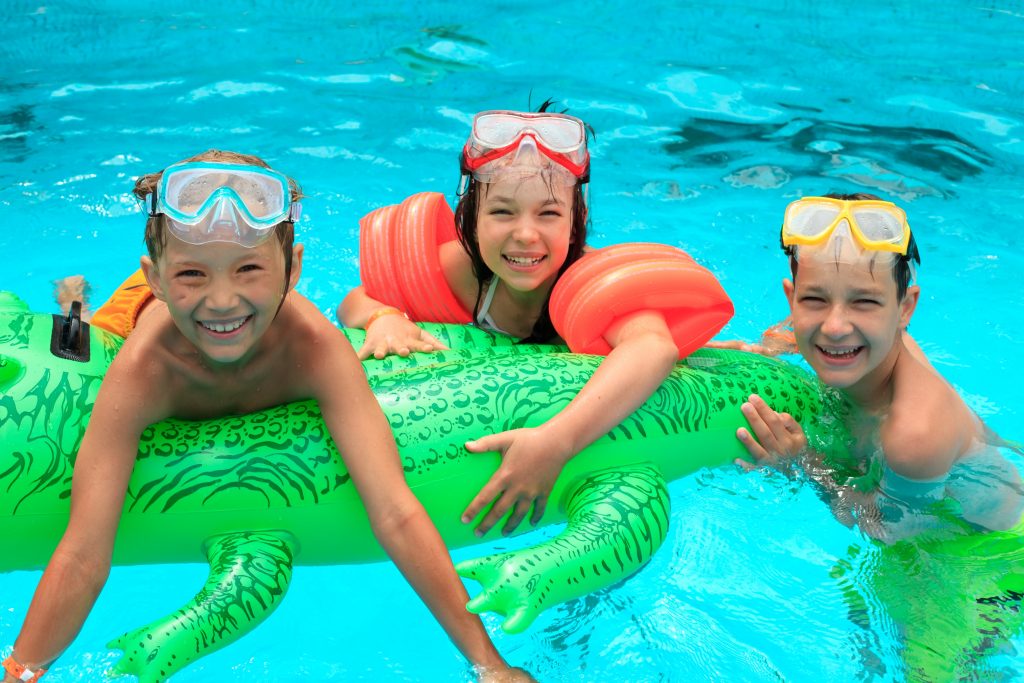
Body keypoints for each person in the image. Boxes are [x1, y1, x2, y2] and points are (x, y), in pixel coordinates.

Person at [2, 150, 529, 683]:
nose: (223, 301)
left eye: (250, 269)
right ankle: (75, 296)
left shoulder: (314, 349)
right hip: (129, 317)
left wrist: (491, 666)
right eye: (191, 274)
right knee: (80, 334)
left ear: (293, 270)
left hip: (192, 304)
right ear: (157, 277)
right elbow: (83, 553)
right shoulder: (142, 371)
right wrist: (20, 670)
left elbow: (396, 511)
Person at [339, 105, 729, 538]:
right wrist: (384, 318)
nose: (525, 234)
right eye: (503, 213)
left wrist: (554, 443)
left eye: (548, 214)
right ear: (471, 219)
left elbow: (652, 347)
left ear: (575, 222)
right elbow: (357, 299)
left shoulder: (591, 287)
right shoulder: (461, 274)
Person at [724, 193, 1022, 539]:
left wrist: (802, 462)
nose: (835, 328)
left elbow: (883, 529)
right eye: (815, 299)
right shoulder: (874, 341)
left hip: (991, 557)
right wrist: (753, 353)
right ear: (793, 299)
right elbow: (789, 332)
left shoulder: (913, 436)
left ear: (905, 309)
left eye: (863, 302)